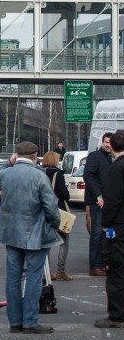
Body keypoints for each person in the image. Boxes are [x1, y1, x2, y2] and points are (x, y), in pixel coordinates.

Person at [0, 141, 61, 334]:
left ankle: (15, 322)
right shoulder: (39, 175)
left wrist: (7, 163)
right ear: (35, 155)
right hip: (35, 234)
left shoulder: (6, 173)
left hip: (10, 233)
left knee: (13, 277)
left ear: (16, 155)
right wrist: (55, 225)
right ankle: (30, 321)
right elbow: (51, 208)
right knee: (33, 277)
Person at [95, 130, 124, 328]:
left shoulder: (117, 167)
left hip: (119, 225)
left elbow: (113, 199)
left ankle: (116, 315)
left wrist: (106, 223)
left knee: (115, 269)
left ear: (110, 146)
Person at [85, 132, 114, 276]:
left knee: (105, 234)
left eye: (110, 142)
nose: (108, 145)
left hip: (107, 202)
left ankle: (103, 263)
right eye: (106, 142)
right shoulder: (95, 156)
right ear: (102, 142)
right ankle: (95, 266)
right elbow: (88, 175)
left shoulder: (110, 158)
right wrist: (98, 195)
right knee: (96, 233)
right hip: (98, 202)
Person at [42, 150, 72, 281]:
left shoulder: (39, 173)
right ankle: (60, 270)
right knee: (64, 240)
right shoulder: (58, 174)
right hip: (57, 210)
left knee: (46, 242)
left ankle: (47, 271)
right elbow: (65, 194)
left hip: (43, 211)